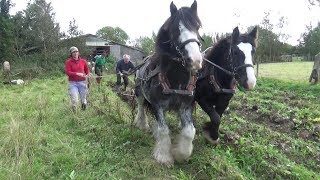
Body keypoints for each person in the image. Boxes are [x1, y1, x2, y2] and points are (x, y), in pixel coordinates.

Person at [65, 46, 90, 112]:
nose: (75, 53)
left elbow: (87, 70)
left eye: (76, 51)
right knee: (75, 100)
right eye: (73, 52)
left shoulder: (83, 61)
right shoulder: (68, 62)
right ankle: (75, 115)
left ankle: (83, 112)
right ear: (71, 54)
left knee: (84, 100)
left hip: (83, 82)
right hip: (73, 83)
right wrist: (77, 73)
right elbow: (68, 72)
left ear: (78, 52)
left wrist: (88, 74)